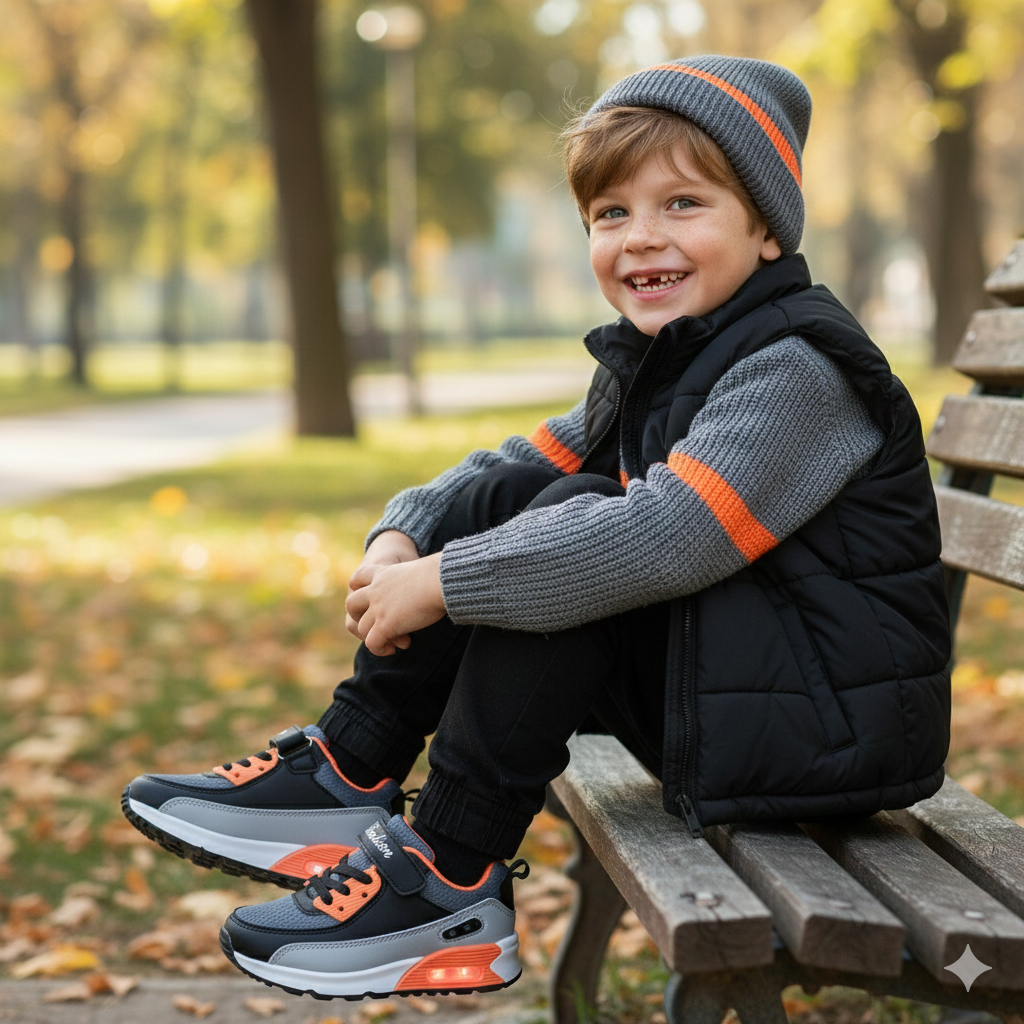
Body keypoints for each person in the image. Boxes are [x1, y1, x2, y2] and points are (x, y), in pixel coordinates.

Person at [122, 55, 951, 1000]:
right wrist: (403, 537)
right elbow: (516, 466)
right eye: (611, 214)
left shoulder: (798, 370)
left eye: (683, 205)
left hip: (826, 732)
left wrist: (438, 584)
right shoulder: (667, 356)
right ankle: (351, 767)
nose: (641, 239)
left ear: (766, 228)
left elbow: (669, 535)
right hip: (742, 694)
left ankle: (450, 867)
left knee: (581, 531)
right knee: (531, 498)